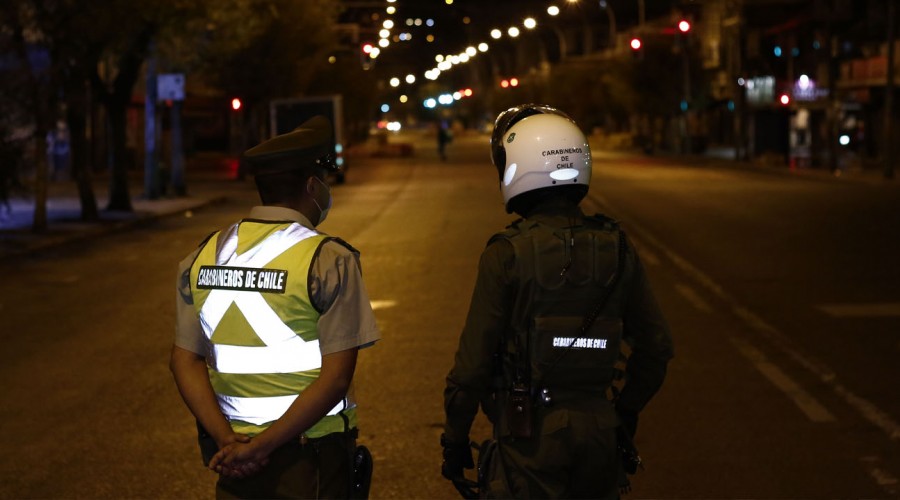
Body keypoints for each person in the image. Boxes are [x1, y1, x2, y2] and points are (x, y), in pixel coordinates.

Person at [441, 104, 674, 499]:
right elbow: (657, 347)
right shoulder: (616, 247)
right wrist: (624, 412)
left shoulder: (507, 254)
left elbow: (472, 366)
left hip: (529, 439)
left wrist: (455, 438)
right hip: (600, 432)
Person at [170, 115, 380, 499]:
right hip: (309, 457)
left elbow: (184, 360)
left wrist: (230, 443)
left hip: (233, 452)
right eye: (325, 182)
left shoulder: (204, 255)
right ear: (312, 185)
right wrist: (263, 447)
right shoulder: (328, 258)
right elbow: (335, 378)